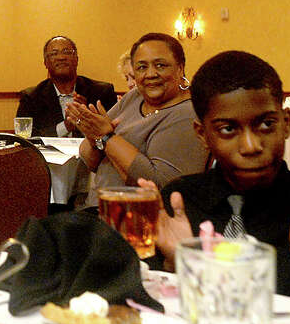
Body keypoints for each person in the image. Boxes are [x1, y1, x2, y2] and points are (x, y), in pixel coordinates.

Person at [153, 51, 290, 299]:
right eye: (228, 129)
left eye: (266, 124)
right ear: (202, 134)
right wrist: (176, 267)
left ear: (286, 123)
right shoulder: (177, 204)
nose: (251, 146)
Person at [72, 32, 208, 207]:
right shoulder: (135, 96)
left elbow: (160, 188)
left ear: (180, 68)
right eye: (142, 67)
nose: (151, 74)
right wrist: (95, 138)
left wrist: (106, 138)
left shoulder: (189, 113)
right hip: (98, 207)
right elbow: (90, 160)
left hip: (140, 219)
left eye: (160, 65)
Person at [17, 36, 117, 137]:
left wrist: (88, 119)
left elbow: (115, 133)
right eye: (54, 53)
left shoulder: (102, 92)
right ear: (45, 63)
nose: (61, 57)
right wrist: (66, 126)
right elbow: (28, 138)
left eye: (67, 52)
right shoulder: (31, 97)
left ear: (76, 60)